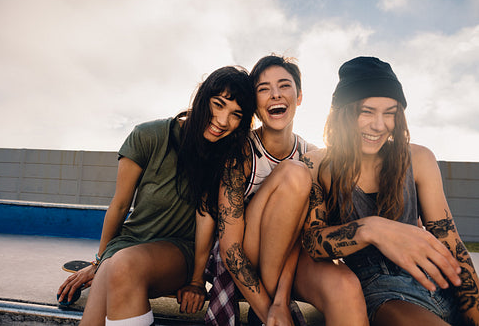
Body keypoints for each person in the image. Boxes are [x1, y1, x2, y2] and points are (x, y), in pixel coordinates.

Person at [57, 65, 256, 326]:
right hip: (128, 244)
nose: (222, 120)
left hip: (178, 252)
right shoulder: (148, 136)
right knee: (109, 277)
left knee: (122, 265)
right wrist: (98, 261)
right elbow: (119, 206)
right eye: (218, 104)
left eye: (235, 115)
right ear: (202, 96)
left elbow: (205, 219)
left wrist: (197, 281)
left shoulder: (226, 157)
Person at [301, 56, 479, 325]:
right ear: (344, 112)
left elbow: (451, 242)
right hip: (382, 290)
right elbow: (312, 242)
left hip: (444, 284)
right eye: (367, 111)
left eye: (390, 113)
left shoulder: (418, 159)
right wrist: (371, 229)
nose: (379, 125)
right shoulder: (317, 164)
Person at [196, 55, 368, 326]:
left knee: (344, 284)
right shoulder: (241, 153)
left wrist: (280, 301)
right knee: (295, 173)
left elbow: (301, 238)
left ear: (299, 97)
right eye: (263, 89)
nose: (275, 94)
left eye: (284, 86)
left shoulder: (311, 154)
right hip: (245, 252)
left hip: (291, 258)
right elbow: (230, 248)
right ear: (255, 103)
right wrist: (270, 311)